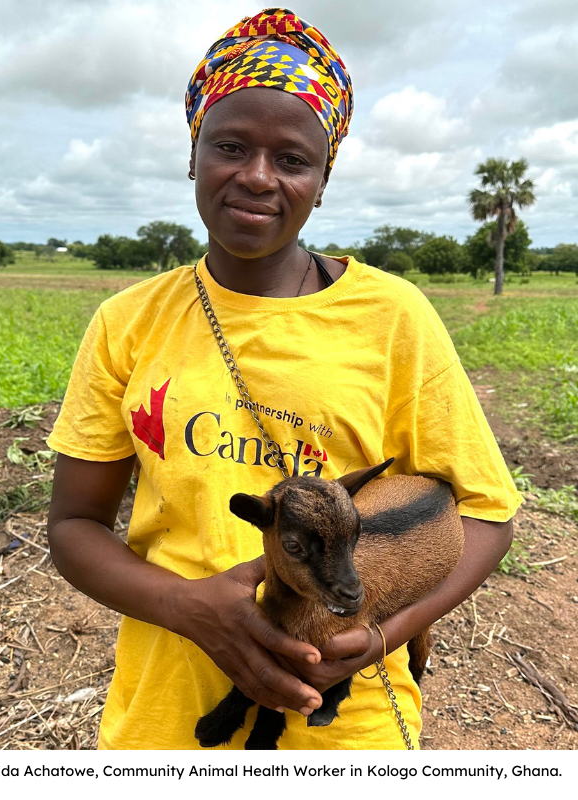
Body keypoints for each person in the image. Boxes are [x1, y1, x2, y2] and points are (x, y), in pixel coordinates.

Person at [47, 8, 522, 750]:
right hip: (163, 724)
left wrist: (383, 635)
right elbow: (74, 527)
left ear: (323, 180)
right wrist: (188, 607)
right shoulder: (127, 321)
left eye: (293, 159)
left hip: (343, 731)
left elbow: (489, 518)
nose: (258, 177)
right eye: (230, 146)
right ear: (193, 155)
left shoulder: (393, 317)